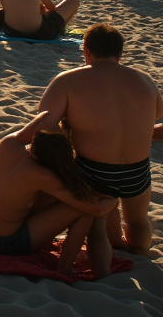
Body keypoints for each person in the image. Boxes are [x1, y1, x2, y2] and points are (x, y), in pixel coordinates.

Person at [37, 24, 163, 255]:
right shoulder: (145, 81)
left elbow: (43, 124)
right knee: (138, 220)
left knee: (104, 211)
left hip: (94, 169)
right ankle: (139, 254)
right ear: (120, 54)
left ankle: (114, 246)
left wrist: (73, 132)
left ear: (86, 51)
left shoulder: (68, 80)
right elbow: (154, 119)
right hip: (137, 170)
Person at [0, 115, 113, 276]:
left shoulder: (9, 144)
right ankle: (64, 268)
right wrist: (113, 199)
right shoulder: (42, 175)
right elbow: (95, 209)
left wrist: (51, 116)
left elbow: (37, 123)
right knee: (81, 210)